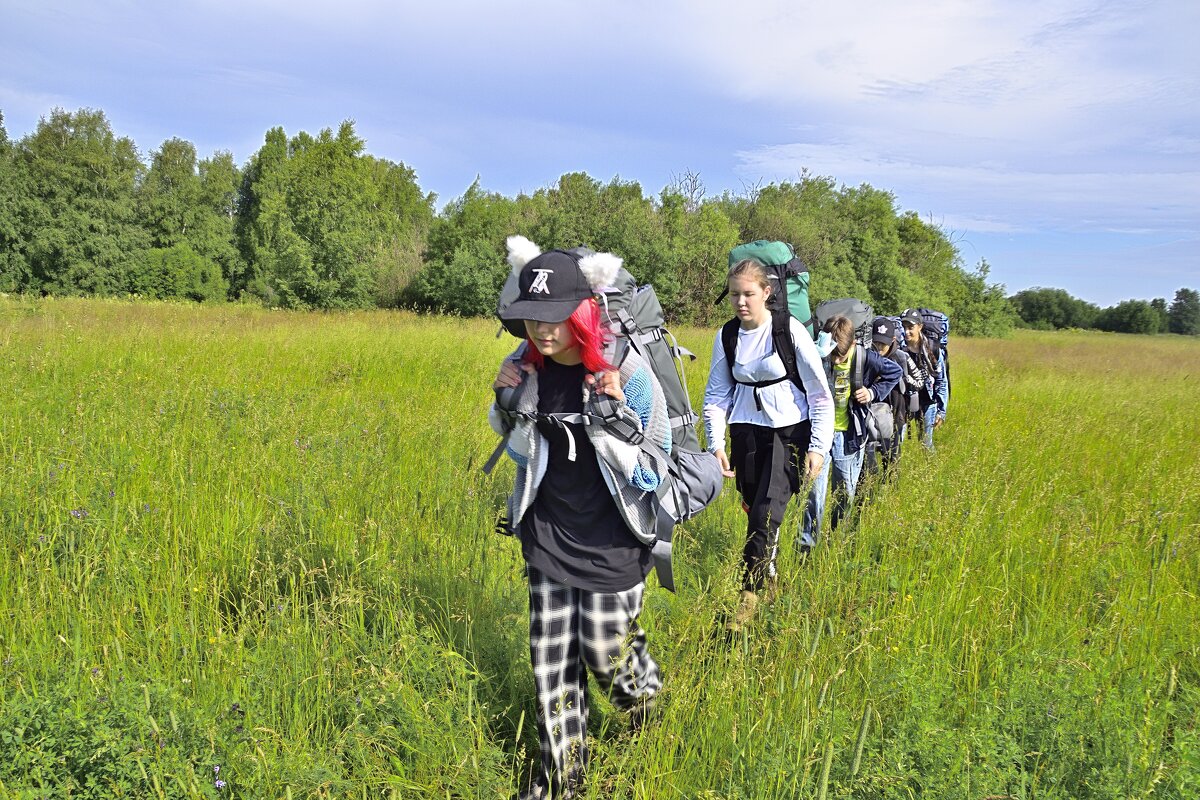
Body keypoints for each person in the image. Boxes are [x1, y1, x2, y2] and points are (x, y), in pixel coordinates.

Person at [489, 241, 670, 800]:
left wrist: (616, 422)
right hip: (546, 534)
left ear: (584, 311)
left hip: (614, 542)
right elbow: (519, 454)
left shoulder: (626, 371)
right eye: (532, 318)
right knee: (552, 670)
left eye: (555, 318)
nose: (542, 330)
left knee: (604, 653)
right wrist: (509, 405)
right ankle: (560, 780)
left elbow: (656, 469)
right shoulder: (527, 369)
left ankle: (647, 707)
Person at [702, 258, 833, 629]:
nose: (741, 302)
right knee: (753, 509)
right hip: (745, 432)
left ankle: (748, 597)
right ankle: (772, 580)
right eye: (734, 295)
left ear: (767, 292)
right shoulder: (726, 335)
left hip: (788, 433)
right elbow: (716, 394)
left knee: (766, 514)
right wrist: (716, 442)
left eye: (748, 294)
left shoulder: (788, 331)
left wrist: (818, 446)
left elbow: (820, 395)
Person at [798, 315, 901, 551]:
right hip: (818, 437)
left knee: (845, 492)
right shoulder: (818, 354)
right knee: (814, 494)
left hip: (850, 437)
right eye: (831, 355)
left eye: (840, 356)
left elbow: (893, 372)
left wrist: (873, 392)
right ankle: (806, 549)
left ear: (853, 345)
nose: (834, 360)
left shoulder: (864, 357)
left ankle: (836, 542)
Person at [866, 316, 920, 472]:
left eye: (883, 343)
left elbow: (920, 381)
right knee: (868, 464)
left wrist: (905, 378)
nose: (880, 347)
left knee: (892, 462)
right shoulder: (867, 357)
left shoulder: (902, 357)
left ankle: (891, 490)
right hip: (870, 416)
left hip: (896, 417)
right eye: (876, 342)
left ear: (893, 339)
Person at [900, 310, 947, 450]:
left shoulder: (932, 349)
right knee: (898, 443)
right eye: (904, 327)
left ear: (920, 326)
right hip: (904, 402)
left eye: (910, 327)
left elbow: (941, 381)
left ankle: (933, 468)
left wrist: (941, 412)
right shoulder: (900, 350)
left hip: (927, 402)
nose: (906, 331)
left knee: (926, 444)